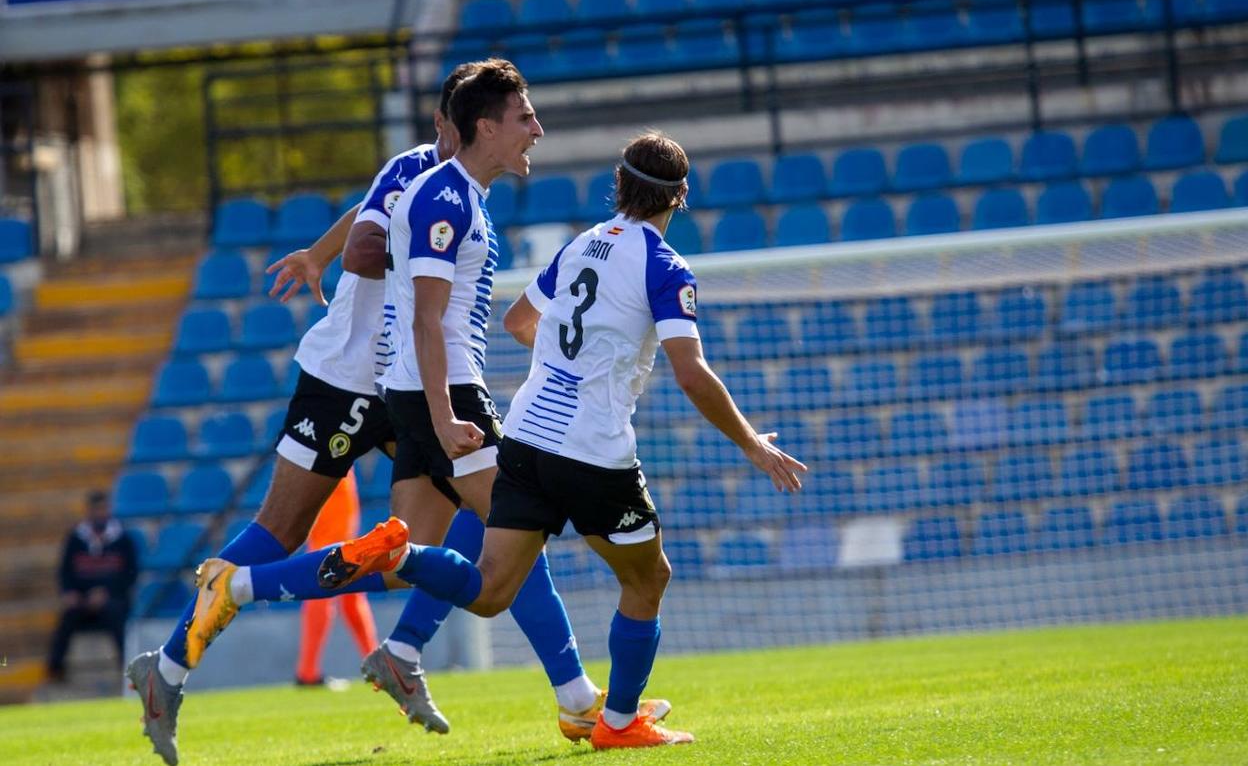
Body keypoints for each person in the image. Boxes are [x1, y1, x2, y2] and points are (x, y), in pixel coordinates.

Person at [126, 61, 609, 766]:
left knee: (466, 530)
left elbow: (365, 220)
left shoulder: (451, 187)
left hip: (403, 381)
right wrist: (361, 259)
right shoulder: (428, 178)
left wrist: (316, 255)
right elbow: (368, 237)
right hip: (352, 380)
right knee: (285, 531)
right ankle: (171, 666)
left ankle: (432, 657)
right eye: (442, 124)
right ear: (457, 123)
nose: (439, 136)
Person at [333, 131, 806, 748]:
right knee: (647, 579)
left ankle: (401, 555)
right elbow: (692, 371)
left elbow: (518, 320)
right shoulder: (664, 266)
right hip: (594, 450)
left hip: (527, 438)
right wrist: (751, 443)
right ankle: (617, 723)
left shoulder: (581, 245)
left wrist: (565, 365)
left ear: (619, 183)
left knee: (488, 590)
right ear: (680, 197)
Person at [294, 468, 377, 687]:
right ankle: (308, 672)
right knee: (330, 571)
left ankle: (374, 661)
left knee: (351, 583)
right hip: (330, 464)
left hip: (326, 464)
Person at [48, 490, 138, 684]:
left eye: (104, 509)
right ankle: (55, 669)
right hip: (82, 601)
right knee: (67, 616)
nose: (101, 514)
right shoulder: (75, 538)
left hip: (113, 600)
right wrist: (69, 593)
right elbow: (65, 572)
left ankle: (128, 668)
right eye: (97, 509)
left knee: (116, 615)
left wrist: (107, 592)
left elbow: (130, 574)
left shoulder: (123, 539)